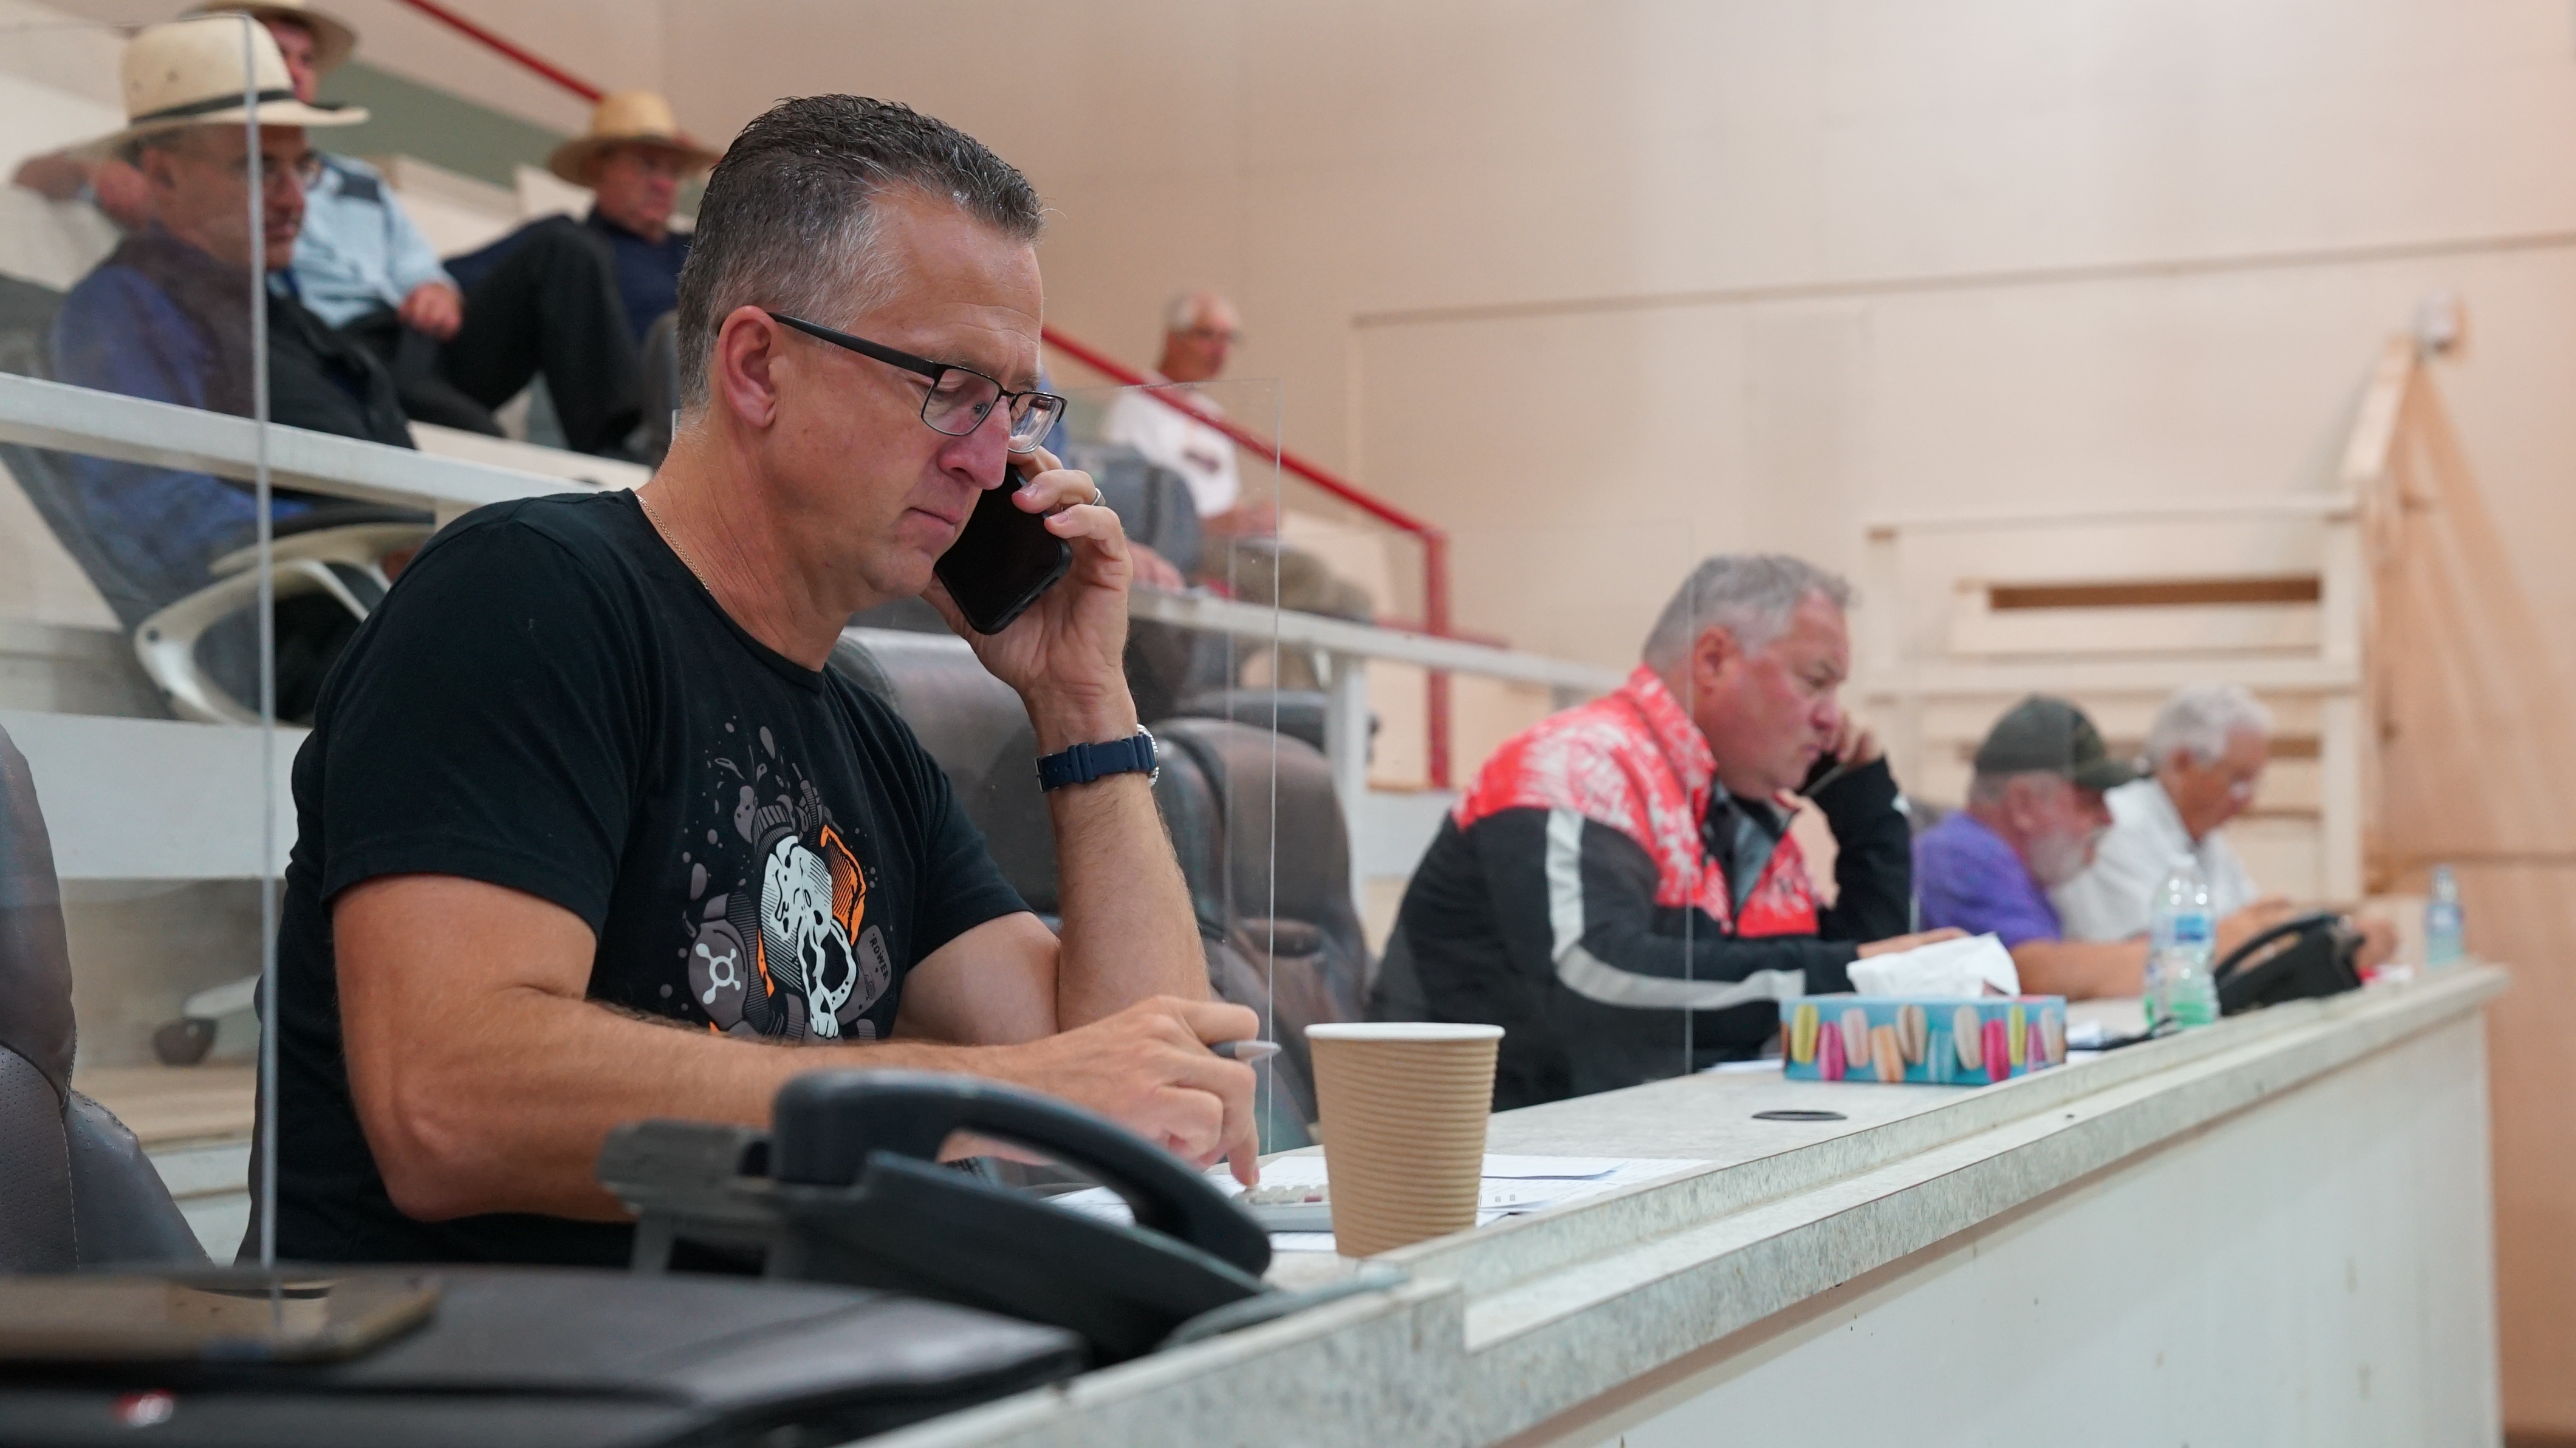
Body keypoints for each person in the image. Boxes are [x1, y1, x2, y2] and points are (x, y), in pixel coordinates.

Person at [269, 94, 1259, 1267]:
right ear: (756, 364)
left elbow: (1142, 1086)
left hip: (778, 1371)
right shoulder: (521, 600)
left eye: (1016, 405)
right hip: (477, 1386)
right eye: (949, 385)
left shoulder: (861, 725)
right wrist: (989, 1090)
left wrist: (1084, 701)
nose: (991, 458)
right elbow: (448, 1099)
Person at [1369, 555, 1961, 1108]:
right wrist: (1845, 970)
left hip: (1627, 1142)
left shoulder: (1739, 805)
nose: (1833, 717)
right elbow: (1594, 977)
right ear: (1712, 660)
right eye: (1816, 681)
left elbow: (1856, 996)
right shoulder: (1578, 763)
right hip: (1475, 1161)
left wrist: (1868, 816)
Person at [47, 18, 409, 630]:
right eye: (260, 168)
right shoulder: (122, 309)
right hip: (296, 636)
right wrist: (376, 553)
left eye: (303, 169)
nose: (294, 201)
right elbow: (169, 518)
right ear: (163, 175)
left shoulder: (283, 314)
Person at [1913, 695, 2290, 999]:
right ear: (2025, 805)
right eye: (2088, 801)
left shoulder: (2011, 868)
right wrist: (2220, 941)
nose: (2109, 820)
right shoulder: (1962, 855)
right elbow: (2036, 974)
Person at [2052, 684, 2396, 969]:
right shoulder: (2117, 825)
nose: (2248, 802)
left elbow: (2259, 933)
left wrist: (2340, 939)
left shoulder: (2205, 838)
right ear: (2183, 763)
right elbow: (2159, 957)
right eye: (2238, 781)